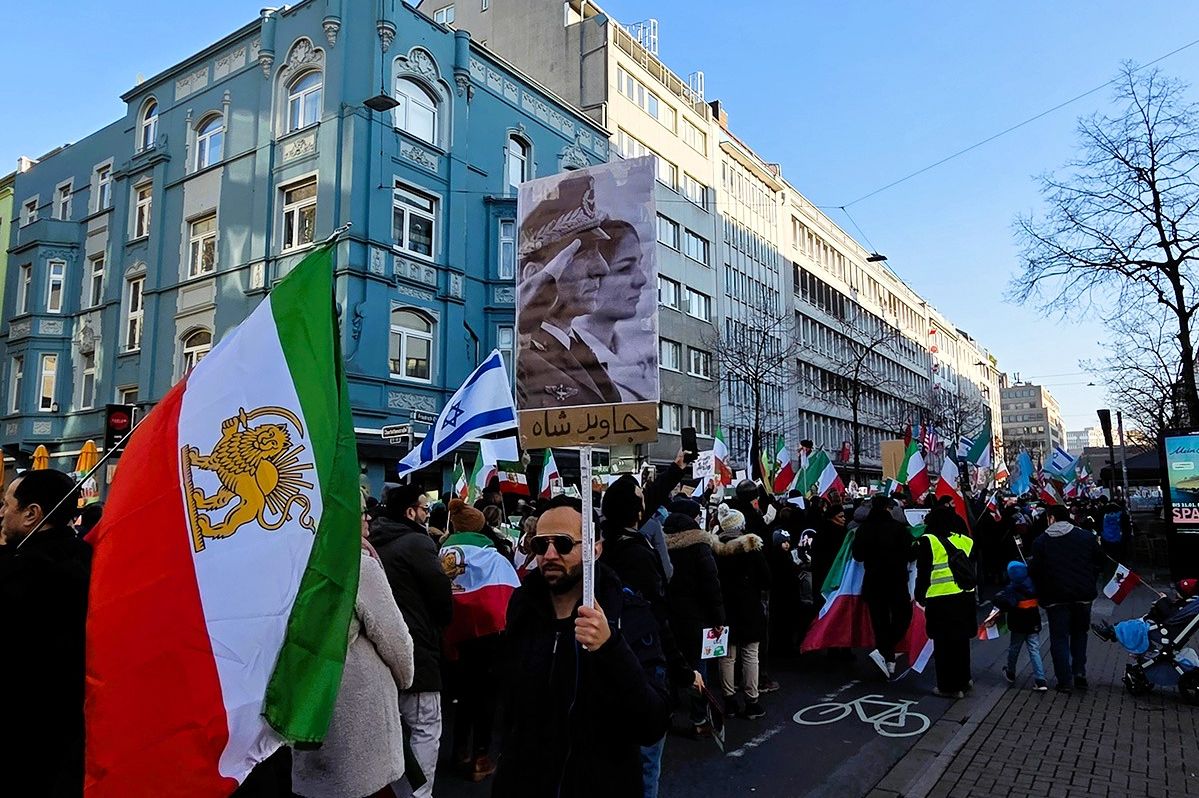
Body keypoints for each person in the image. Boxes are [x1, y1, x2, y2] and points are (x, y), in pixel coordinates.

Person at [492, 496, 670, 797]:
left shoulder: (627, 613)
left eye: (563, 544)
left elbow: (652, 722)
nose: (550, 555)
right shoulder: (523, 608)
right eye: (540, 545)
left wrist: (611, 647)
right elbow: (509, 707)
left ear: (594, 549)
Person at [292, 504, 415, 798]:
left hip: (308, 708)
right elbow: (396, 642)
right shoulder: (358, 566)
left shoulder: (298, 561)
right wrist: (405, 679)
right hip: (360, 721)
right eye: (360, 511)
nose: (368, 516)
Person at [599, 475, 694, 798]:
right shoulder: (638, 555)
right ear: (636, 511)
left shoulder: (605, 546)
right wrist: (683, 670)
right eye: (641, 497)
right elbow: (658, 618)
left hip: (609, 658)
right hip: (643, 660)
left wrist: (675, 470)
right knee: (646, 763)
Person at [0, 469, 91, 797]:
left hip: (21, 732)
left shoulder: (21, 572)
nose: (2, 512)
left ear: (32, 513)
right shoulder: (91, 560)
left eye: (7, 504)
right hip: (73, 731)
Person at [369, 485, 454, 798]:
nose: (426, 513)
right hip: (416, 649)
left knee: (391, 728)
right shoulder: (418, 543)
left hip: (379, 652)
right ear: (410, 512)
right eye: (423, 508)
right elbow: (441, 598)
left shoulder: (372, 543)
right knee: (425, 725)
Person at [516, 174, 621, 409]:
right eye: (583, 254)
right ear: (534, 274)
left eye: (598, 253)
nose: (602, 268)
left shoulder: (581, 349)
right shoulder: (522, 355)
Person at [441, 499, 514, 782]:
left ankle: (459, 752)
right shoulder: (493, 556)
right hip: (487, 637)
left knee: (463, 698)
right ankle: (481, 758)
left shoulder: (441, 553)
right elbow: (510, 592)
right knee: (486, 699)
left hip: (453, 634)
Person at [575, 220, 654, 402]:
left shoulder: (637, 358)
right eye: (625, 268)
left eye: (639, 264)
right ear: (591, 276)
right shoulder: (568, 358)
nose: (641, 279)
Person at [1030, 504, 1106, 693]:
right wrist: (1089, 578)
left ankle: (1064, 680)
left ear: (1052, 518)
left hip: (1055, 597)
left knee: (1059, 638)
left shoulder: (1041, 541)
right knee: (1080, 634)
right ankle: (1079, 673)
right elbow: (1100, 561)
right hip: (1083, 596)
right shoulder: (1086, 537)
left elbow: (1035, 571)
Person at [663, 511, 725, 737]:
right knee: (698, 666)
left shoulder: (660, 548)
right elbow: (711, 585)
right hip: (696, 617)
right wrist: (718, 618)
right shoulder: (700, 547)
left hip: (668, 615)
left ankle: (667, 711)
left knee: (669, 663)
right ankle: (699, 718)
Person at [713, 504, 771, 719]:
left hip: (723, 607)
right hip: (749, 606)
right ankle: (751, 700)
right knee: (750, 654)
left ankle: (729, 700)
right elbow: (766, 579)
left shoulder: (714, 549)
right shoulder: (752, 548)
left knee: (726, 655)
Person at [913, 506, 977, 698]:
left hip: (941, 600)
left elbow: (923, 573)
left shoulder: (928, 541)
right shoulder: (964, 540)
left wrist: (919, 595)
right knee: (961, 642)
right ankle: (965, 679)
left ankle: (949, 687)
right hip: (965, 597)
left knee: (943, 645)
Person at [852, 495, 915, 677]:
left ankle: (886, 654)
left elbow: (858, 555)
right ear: (888, 508)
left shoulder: (864, 529)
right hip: (896, 580)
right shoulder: (899, 529)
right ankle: (887, 651)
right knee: (903, 616)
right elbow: (910, 554)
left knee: (879, 621)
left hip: (873, 580)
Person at [991, 560, 1048, 691]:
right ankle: (1040, 679)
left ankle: (1011, 672)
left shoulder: (1012, 589)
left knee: (1014, 648)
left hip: (1018, 625)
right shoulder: (1034, 586)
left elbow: (1004, 603)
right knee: (1034, 649)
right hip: (1033, 622)